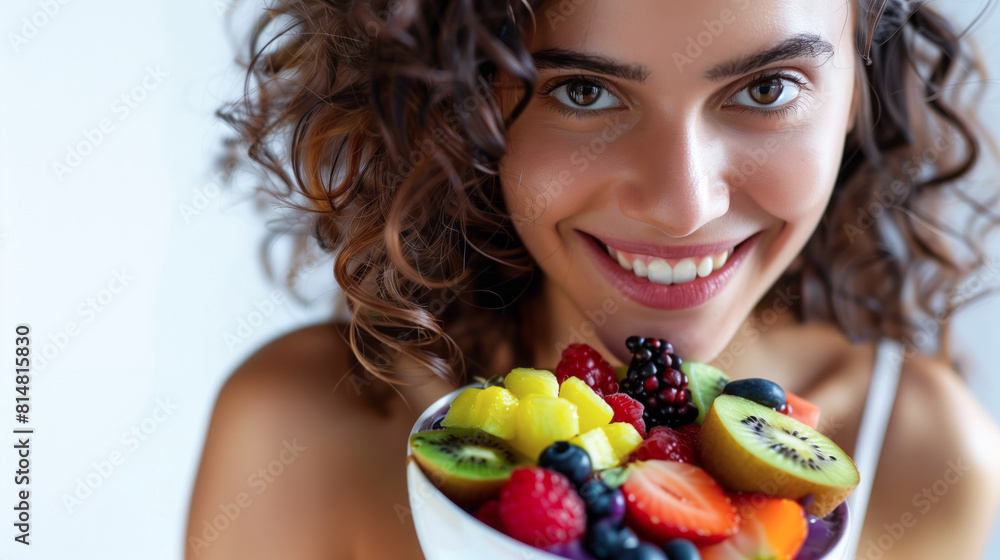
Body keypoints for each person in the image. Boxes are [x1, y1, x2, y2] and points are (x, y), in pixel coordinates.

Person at [185, 0, 1000, 558]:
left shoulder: (921, 451)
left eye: (765, 88)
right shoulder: (299, 432)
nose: (683, 206)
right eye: (583, 91)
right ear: (460, 97)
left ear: (862, 86)